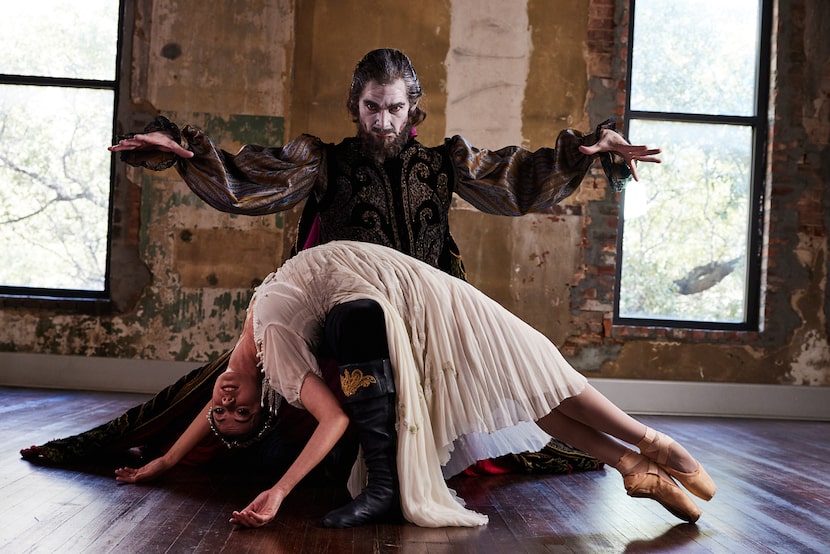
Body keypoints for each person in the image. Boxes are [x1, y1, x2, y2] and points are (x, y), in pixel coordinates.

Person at [107, 47, 661, 526]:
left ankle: (640, 454)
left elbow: (516, 178)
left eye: (395, 108)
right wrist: (188, 151)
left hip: (426, 313)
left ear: (412, 107)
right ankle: (379, 479)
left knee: (527, 373)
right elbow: (248, 177)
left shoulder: (448, 163)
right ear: (356, 107)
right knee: (353, 326)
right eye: (371, 107)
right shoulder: (322, 161)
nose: (382, 121)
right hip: (348, 319)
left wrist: (588, 149)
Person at [118, 240, 714, 528]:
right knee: (534, 370)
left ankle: (640, 459)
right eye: (238, 412)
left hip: (400, 282)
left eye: (223, 406)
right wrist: (281, 491)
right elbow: (335, 418)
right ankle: (645, 450)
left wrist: (167, 462)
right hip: (401, 299)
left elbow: (206, 410)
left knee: (528, 378)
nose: (223, 401)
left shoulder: (246, 355)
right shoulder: (278, 361)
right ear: (263, 402)